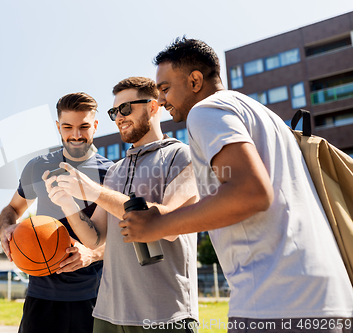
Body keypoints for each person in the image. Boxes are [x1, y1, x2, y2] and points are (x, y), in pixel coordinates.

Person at [120, 37, 353, 332]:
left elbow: (250, 192)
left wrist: (159, 224)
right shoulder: (265, 116)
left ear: (194, 81)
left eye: (165, 89)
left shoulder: (205, 111)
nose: (163, 100)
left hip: (276, 301)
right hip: (331, 297)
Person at [45, 77, 199, 332]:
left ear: (153, 107)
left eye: (126, 108)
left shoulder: (183, 156)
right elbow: (95, 238)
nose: (119, 117)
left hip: (164, 313)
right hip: (108, 315)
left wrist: (95, 191)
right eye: (114, 111)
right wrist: (67, 203)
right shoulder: (116, 171)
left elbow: (168, 227)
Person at [0, 92, 114, 333]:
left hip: (95, 295)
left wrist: (93, 254)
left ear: (95, 125)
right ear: (57, 127)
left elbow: (124, 234)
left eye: (84, 126)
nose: (76, 135)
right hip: (41, 295)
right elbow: (11, 209)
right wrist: (6, 228)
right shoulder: (37, 166)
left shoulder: (112, 173)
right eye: (68, 126)